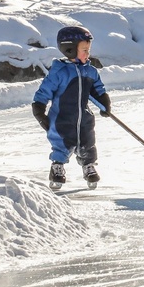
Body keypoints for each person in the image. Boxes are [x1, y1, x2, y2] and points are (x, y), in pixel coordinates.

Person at [32, 26, 111, 190]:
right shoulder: (59, 72)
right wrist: (39, 109)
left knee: (88, 142)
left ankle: (88, 166)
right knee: (61, 143)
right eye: (84, 50)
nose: (88, 54)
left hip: (84, 117)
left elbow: (97, 89)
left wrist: (104, 102)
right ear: (70, 49)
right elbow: (45, 91)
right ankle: (57, 166)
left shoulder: (90, 71)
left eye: (88, 50)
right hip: (62, 118)